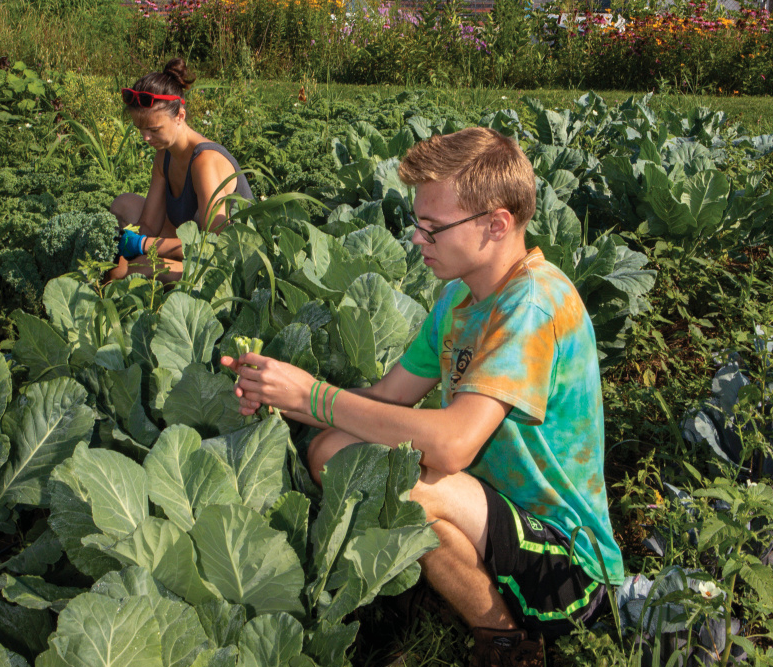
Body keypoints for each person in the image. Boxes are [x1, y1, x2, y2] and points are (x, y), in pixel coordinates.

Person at [221, 128, 624, 667]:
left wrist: (315, 396)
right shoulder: (460, 299)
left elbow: (453, 446)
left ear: (496, 224)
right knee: (333, 450)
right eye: (418, 224)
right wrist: (285, 394)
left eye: (433, 228)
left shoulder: (532, 303)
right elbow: (389, 396)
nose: (417, 240)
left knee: (398, 483)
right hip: (492, 513)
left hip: (566, 569)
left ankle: (508, 643)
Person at [107, 58, 253, 282]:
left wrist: (143, 246)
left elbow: (215, 243)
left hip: (226, 262)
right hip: (190, 247)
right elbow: (148, 225)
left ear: (180, 116)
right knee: (123, 206)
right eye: (141, 129)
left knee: (130, 271)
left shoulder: (205, 160)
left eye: (154, 130)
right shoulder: (163, 155)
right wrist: (123, 246)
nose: (146, 138)